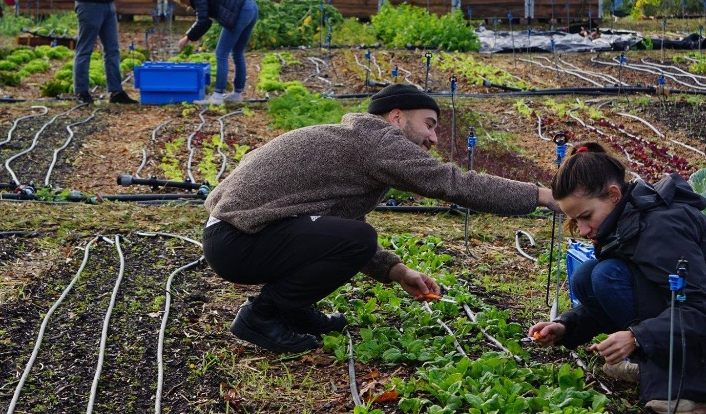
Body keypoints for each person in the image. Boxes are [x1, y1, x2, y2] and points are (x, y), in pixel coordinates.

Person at [202, 84, 559, 354]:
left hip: (236, 238)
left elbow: (335, 229)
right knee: (358, 236)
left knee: (353, 235)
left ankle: (290, 310)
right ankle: (262, 315)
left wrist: (398, 272)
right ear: (396, 116)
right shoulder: (377, 141)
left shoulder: (358, 144)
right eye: (429, 124)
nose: (434, 138)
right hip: (240, 240)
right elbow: (454, 184)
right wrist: (543, 196)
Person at [528, 142, 706, 414]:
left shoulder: (660, 228)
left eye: (586, 217)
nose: (584, 230)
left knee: (605, 275)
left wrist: (636, 337)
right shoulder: (624, 222)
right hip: (681, 325)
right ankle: (650, 364)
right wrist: (567, 325)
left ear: (613, 194)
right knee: (588, 276)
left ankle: (690, 389)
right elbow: (640, 292)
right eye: (576, 222)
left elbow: (697, 308)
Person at [175, 0, 258, 105]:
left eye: (184, 2)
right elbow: (207, 20)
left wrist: (187, 37)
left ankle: (217, 96)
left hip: (240, 9)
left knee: (221, 53)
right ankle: (237, 94)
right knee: (238, 52)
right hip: (251, 7)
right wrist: (192, 36)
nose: (187, 5)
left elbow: (202, 19)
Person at [73, 0, 138, 104]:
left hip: (108, 4)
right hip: (89, 4)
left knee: (112, 50)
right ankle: (81, 92)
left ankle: (116, 91)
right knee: (85, 50)